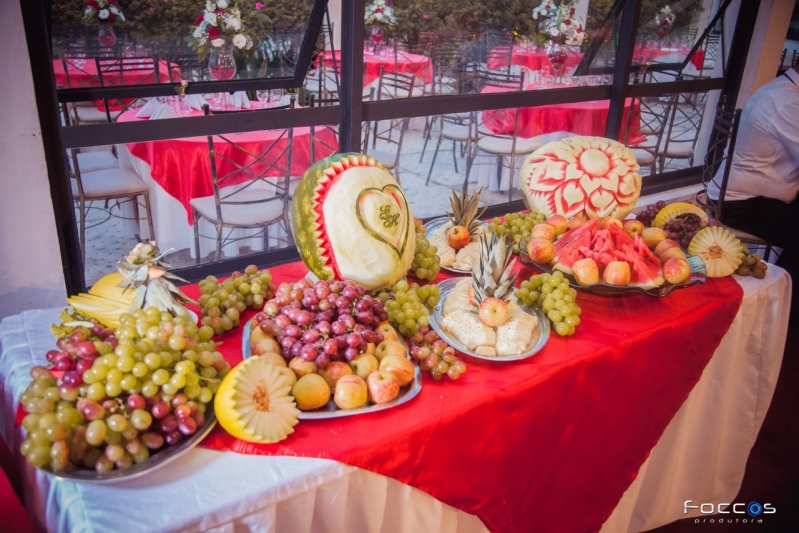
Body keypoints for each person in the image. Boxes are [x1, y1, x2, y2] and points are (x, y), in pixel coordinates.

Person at [708, 65, 799, 320]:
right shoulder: (788, 103)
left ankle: (782, 298)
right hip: (742, 203)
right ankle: (780, 312)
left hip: (739, 191)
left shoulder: (779, 89)